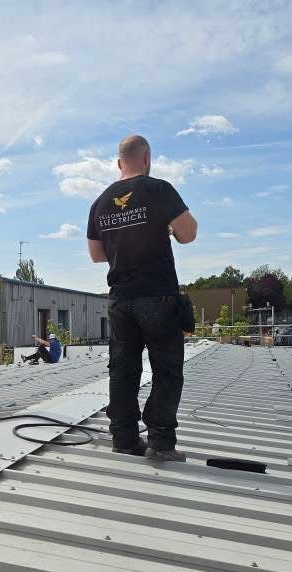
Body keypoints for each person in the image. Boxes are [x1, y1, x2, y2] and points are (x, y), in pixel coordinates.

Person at [86, 134, 197, 461]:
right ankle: (160, 443)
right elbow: (189, 233)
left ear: (119, 162)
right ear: (146, 158)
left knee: (123, 370)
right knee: (166, 369)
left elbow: (96, 255)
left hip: (120, 300)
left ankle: (124, 438)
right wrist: (167, 230)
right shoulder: (158, 189)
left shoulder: (100, 202)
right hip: (157, 295)